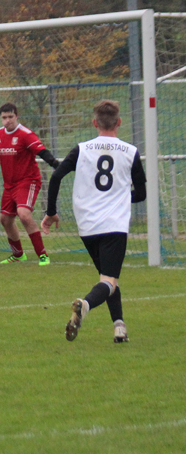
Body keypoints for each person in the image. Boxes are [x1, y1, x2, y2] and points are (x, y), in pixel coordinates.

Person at [41, 99, 146, 344]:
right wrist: (118, 197)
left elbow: (56, 176)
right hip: (114, 225)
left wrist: (51, 212)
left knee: (107, 278)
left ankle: (119, 328)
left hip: (87, 225)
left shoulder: (82, 149)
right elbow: (140, 194)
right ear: (119, 122)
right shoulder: (130, 152)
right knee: (108, 281)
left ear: (94, 122)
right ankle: (84, 305)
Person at [0, 103, 59, 265]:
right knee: (5, 220)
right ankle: (18, 254)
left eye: (10, 117)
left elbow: (42, 152)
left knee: (24, 215)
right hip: (10, 185)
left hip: (28, 181)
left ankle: (43, 255)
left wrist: (56, 165)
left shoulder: (25, 134)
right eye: (4, 118)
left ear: (17, 116)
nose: (7, 121)